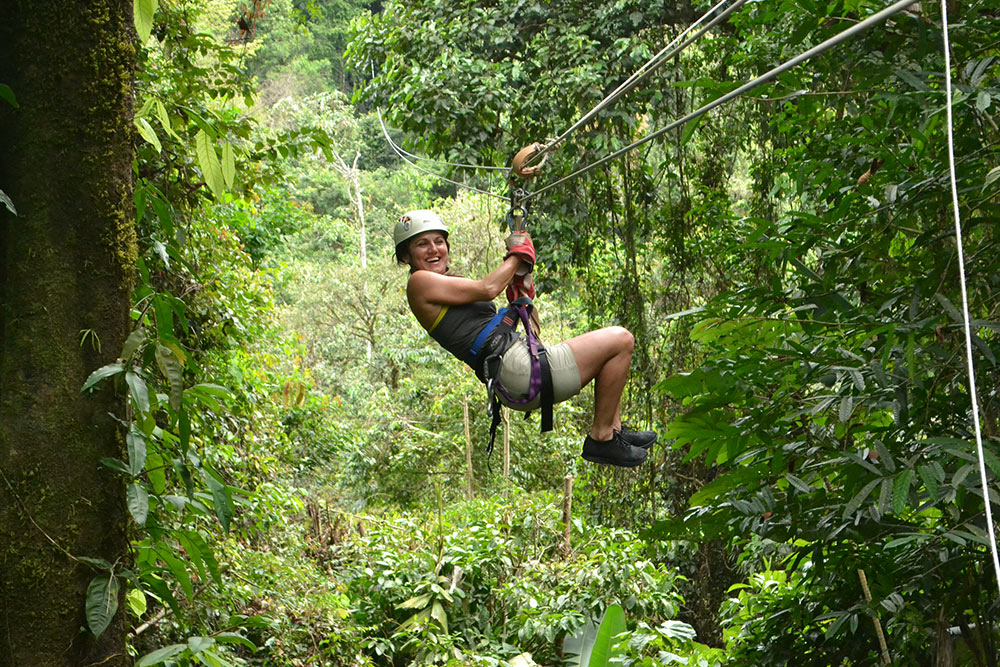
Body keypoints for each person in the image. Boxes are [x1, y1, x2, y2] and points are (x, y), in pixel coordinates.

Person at [394, 209, 655, 468]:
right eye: (422, 244)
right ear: (407, 256)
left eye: (439, 241)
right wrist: (517, 255)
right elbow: (488, 288)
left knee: (611, 352)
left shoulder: (440, 285)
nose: (433, 249)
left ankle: (613, 430)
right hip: (516, 369)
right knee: (621, 340)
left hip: (512, 369)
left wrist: (517, 297)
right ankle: (602, 436)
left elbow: (487, 325)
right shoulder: (419, 282)